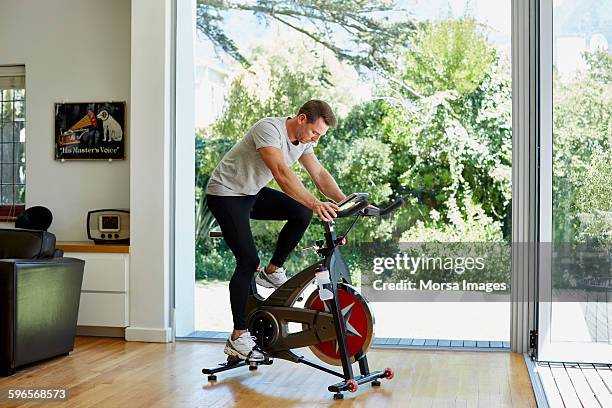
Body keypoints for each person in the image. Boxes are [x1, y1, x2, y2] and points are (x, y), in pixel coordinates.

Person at [206, 100, 346, 362]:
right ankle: (238, 337)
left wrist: (345, 200)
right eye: (315, 133)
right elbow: (281, 174)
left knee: (300, 212)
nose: (315, 140)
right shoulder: (269, 129)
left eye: (320, 136)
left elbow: (319, 173)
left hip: (251, 193)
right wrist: (316, 203)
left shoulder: (303, 142)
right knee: (248, 260)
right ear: (302, 118)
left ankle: (273, 271)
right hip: (226, 194)